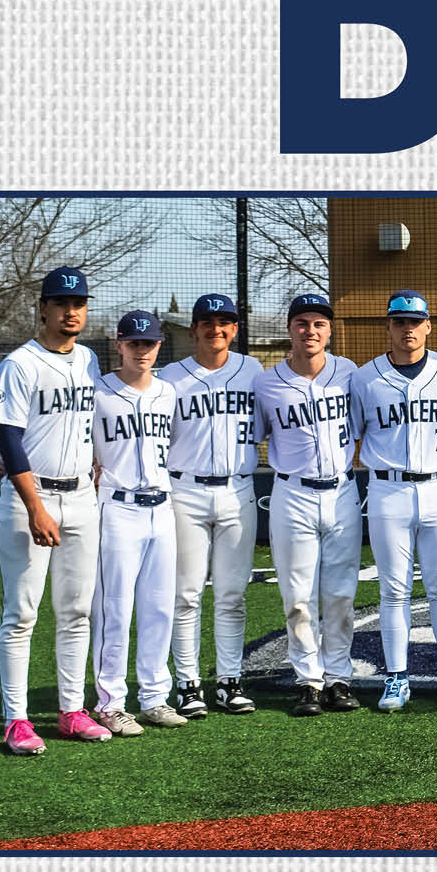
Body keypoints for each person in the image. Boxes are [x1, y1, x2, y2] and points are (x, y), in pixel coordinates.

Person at [0, 266, 102, 754]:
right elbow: (9, 439)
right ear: (43, 308)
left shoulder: (90, 361)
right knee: (21, 613)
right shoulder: (21, 364)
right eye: (61, 303)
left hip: (82, 497)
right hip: (29, 499)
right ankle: (16, 720)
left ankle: (72, 711)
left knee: (77, 610)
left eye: (78, 303)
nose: (71, 310)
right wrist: (36, 506)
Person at [353, 290, 437, 713]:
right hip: (388, 489)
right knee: (394, 589)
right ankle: (396, 677)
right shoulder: (365, 378)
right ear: (389, 326)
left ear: (428, 325)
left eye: (414, 321)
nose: (407, 328)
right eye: (399, 321)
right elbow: (355, 433)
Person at [254, 292, 362, 717]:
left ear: (329, 330)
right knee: (298, 596)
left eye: (318, 323)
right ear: (290, 330)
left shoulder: (349, 373)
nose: (310, 331)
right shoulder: (266, 382)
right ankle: (309, 681)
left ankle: (338, 677)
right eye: (302, 323)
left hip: (341, 491)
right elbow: (260, 434)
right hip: (292, 492)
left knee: (340, 593)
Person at [163, 294, 263, 718]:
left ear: (235, 329)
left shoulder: (254, 371)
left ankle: (228, 680)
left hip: (238, 489)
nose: (215, 329)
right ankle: (187, 685)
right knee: (185, 594)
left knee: (232, 594)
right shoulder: (170, 377)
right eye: (207, 321)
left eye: (224, 321)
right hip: (184, 491)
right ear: (193, 329)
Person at [90, 310, 181, 734]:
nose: (141, 350)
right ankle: (109, 702)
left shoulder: (168, 394)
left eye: (149, 343)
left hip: (161, 507)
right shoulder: (99, 392)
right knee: (114, 609)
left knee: (159, 607)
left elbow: (175, 445)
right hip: (117, 506)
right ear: (119, 345)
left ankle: (154, 698)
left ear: (159, 345)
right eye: (134, 343)